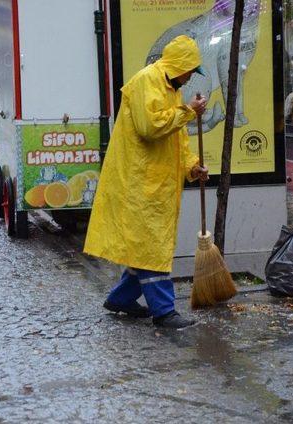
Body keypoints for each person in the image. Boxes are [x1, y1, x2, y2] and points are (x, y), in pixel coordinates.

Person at [83, 35, 208, 329]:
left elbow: (179, 140)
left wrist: (192, 167)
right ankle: (164, 312)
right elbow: (149, 127)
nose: (190, 78)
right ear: (179, 66)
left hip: (157, 183)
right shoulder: (145, 82)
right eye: (190, 71)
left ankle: (121, 299)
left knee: (147, 246)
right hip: (138, 184)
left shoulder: (172, 90)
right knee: (151, 248)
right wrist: (188, 112)